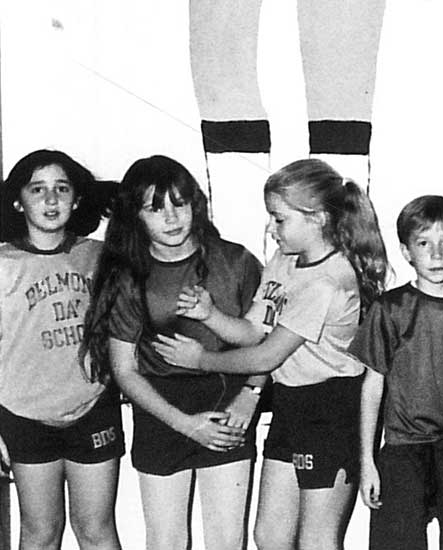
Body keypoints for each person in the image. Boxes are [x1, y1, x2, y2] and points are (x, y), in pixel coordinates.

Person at [153, 159, 387, 550]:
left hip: (330, 409)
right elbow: (251, 331)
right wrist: (210, 315)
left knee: (317, 541)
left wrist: (201, 360)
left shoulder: (329, 283)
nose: (271, 228)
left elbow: (265, 357)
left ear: (320, 219)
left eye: (280, 219)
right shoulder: (284, 261)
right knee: (270, 537)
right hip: (291, 405)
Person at [84, 155, 262, 550]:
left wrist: (250, 395)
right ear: (136, 215)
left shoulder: (235, 260)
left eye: (179, 203)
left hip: (226, 400)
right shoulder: (130, 274)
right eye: (155, 207)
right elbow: (124, 370)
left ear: (195, 204)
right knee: (165, 541)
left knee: (227, 540)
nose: (171, 217)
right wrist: (184, 424)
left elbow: (264, 341)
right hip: (160, 409)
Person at [0, 150, 120, 550]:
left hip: (91, 407)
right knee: (40, 532)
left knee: (96, 530)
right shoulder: (3, 263)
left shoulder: (98, 256)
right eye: (38, 189)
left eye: (61, 189)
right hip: (25, 414)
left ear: (77, 198)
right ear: (19, 200)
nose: (51, 201)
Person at [353, 195, 443, 550]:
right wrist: (367, 460)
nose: (437, 254)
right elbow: (372, 386)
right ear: (406, 251)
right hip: (403, 448)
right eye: (424, 243)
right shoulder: (391, 308)